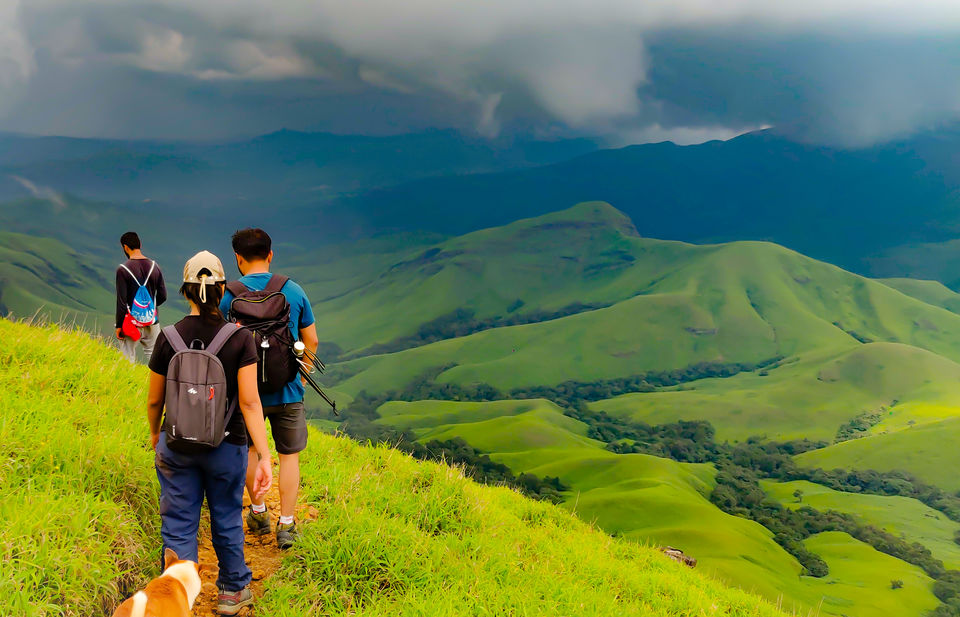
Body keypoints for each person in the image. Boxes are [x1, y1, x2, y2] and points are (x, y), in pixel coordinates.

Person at [147, 250, 273, 616]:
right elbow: (250, 404)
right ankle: (232, 592)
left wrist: (156, 435)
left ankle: (175, 600)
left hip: (177, 443)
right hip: (227, 445)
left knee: (179, 522)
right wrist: (264, 455)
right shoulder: (239, 338)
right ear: (223, 290)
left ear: (185, 291)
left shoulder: (168, 338)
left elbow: (155, 401)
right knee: (226, 517)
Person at [220, 228, 318, 549]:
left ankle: (259, 513)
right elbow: (311, 340)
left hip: (245, 395)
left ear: (238, 258)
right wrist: (300, 377)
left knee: (250, 451)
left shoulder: (227, 297)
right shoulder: (293, 291)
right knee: (288, 457)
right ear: (270, 254)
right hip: (288, 390)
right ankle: (287, 524)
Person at [116, 231, 167, 363]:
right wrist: (149, 309)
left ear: (125, 247)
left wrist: (119, 326)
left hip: (131, 323)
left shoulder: (123, 269)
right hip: (152, 321)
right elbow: (163, 296)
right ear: (140, 244)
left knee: (127, 359)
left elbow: (121, 302)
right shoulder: (155, 267)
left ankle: (127, 383)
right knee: (155, 360)